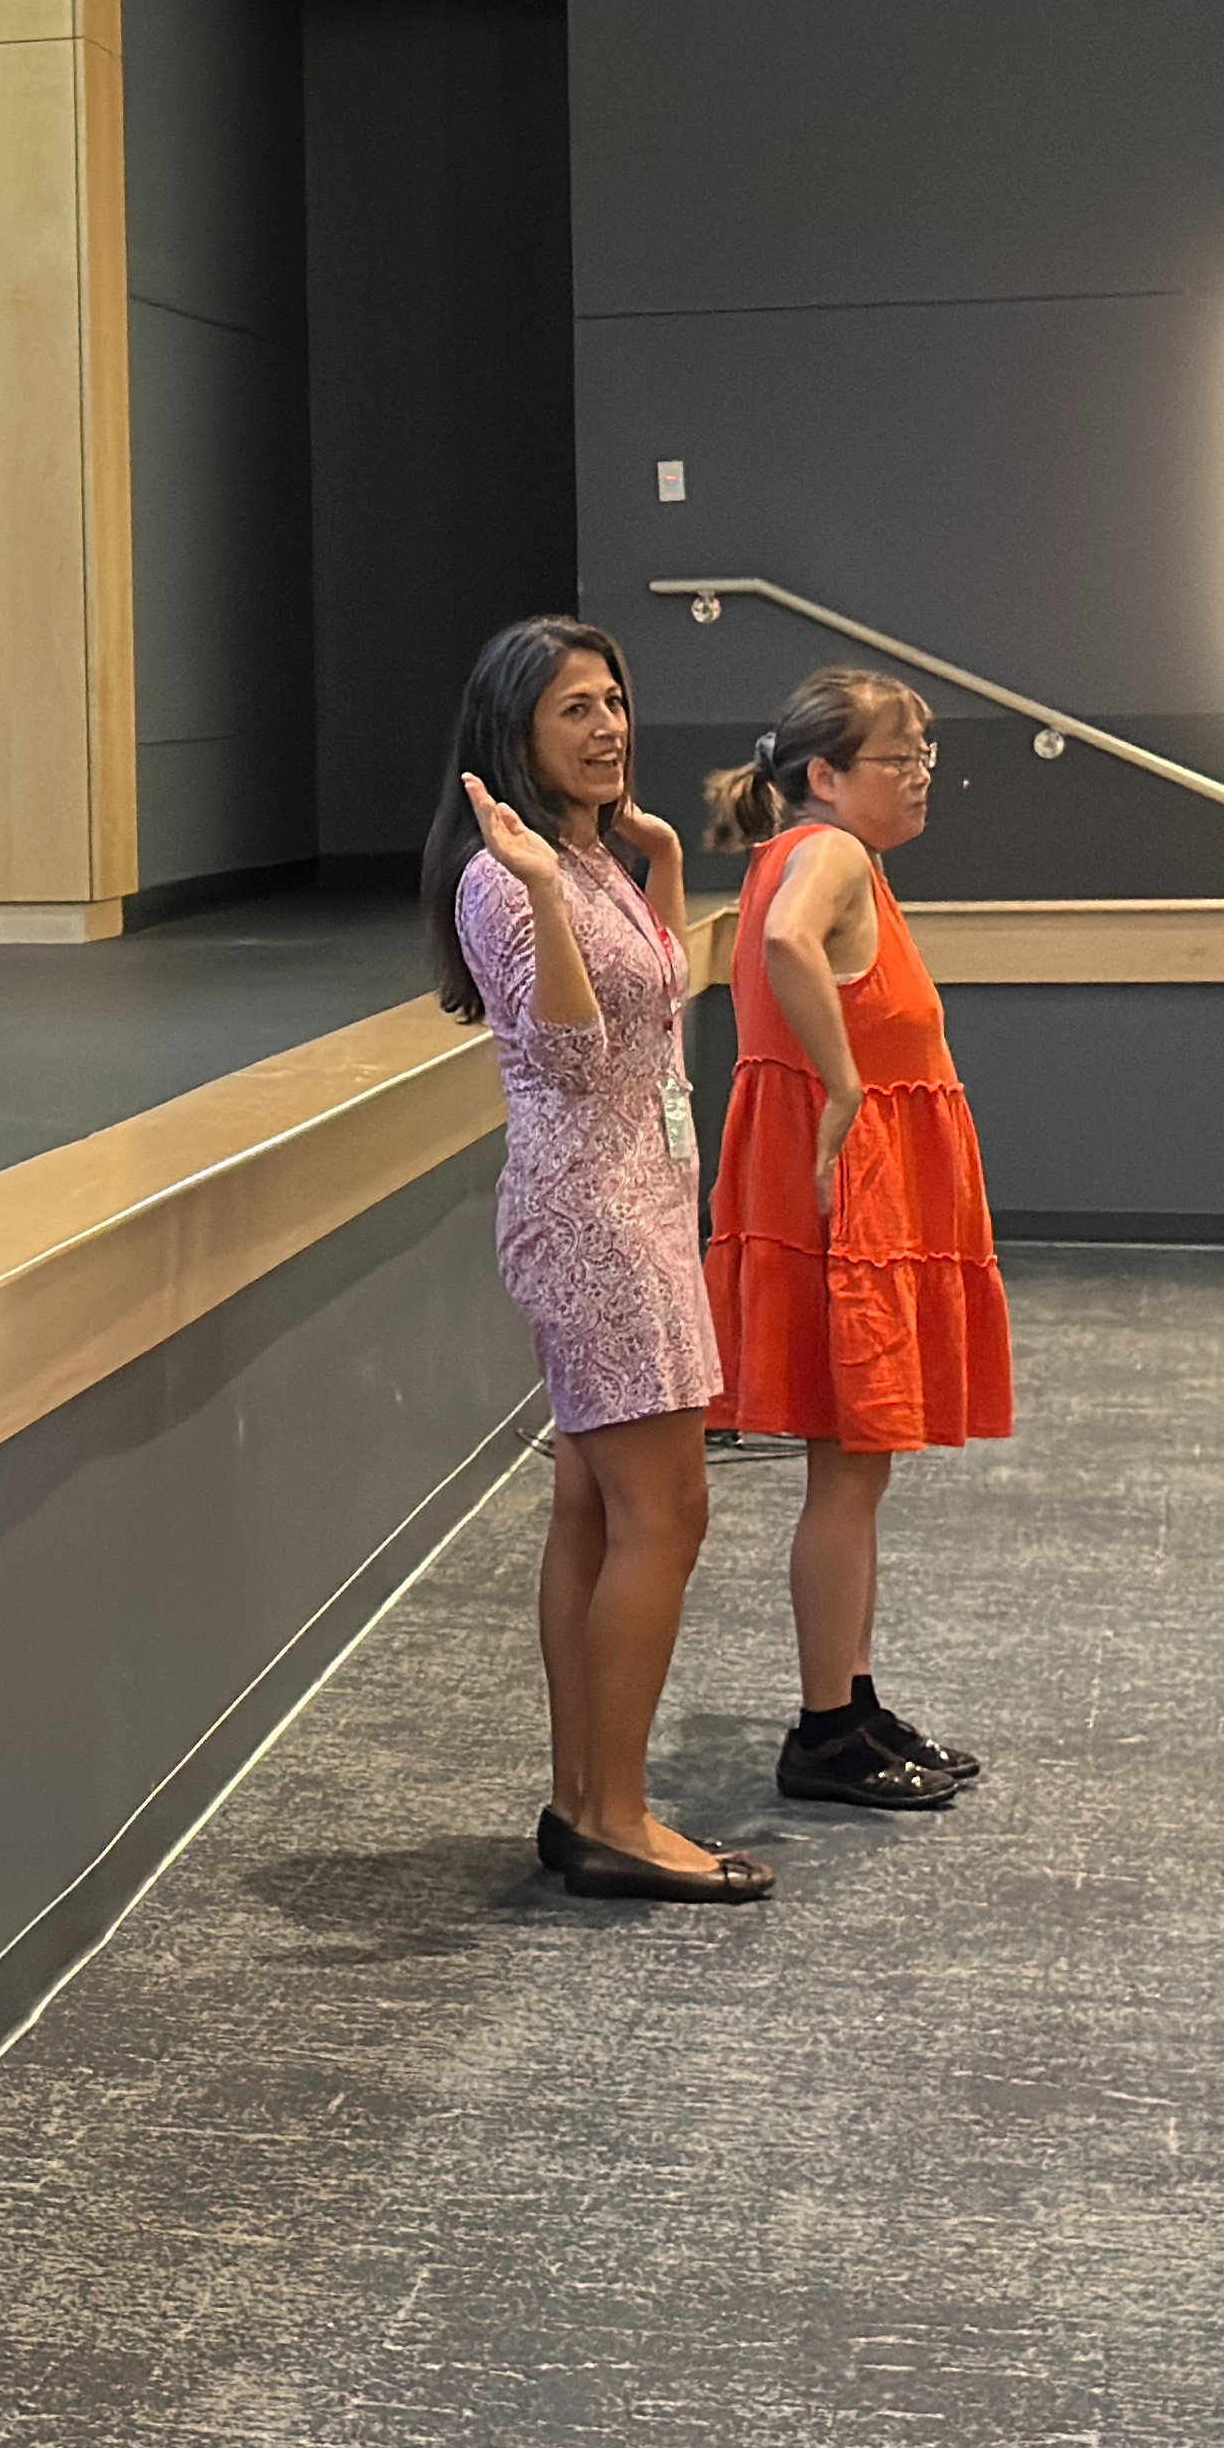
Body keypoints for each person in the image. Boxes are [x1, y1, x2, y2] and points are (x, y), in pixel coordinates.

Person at [425, 616, 771, 1904]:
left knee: (595, 1504)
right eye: (575, 707)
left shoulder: (591, 857)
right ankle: (617, 1815)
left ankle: (585, 1802)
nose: (609, 725)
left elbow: (652, 1012)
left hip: (636, 1202)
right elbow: (572, 1058)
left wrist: (663, 861)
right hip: (593, 1218)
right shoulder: (504, 874)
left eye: (615, 700)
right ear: (512, 729)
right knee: (665, 1512)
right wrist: (533, 888)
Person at [706, 667, 1007, 1808]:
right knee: (845, 1477)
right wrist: (841, 1085)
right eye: (901, 756)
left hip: (858, 1195)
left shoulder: (824, 856)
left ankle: (853, 1699)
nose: (923, 772)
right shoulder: (823, 854)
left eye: (927, 750)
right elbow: (786, 943)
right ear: (824, 776)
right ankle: (827, 1731)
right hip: (849, 1201)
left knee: (857, 1472)